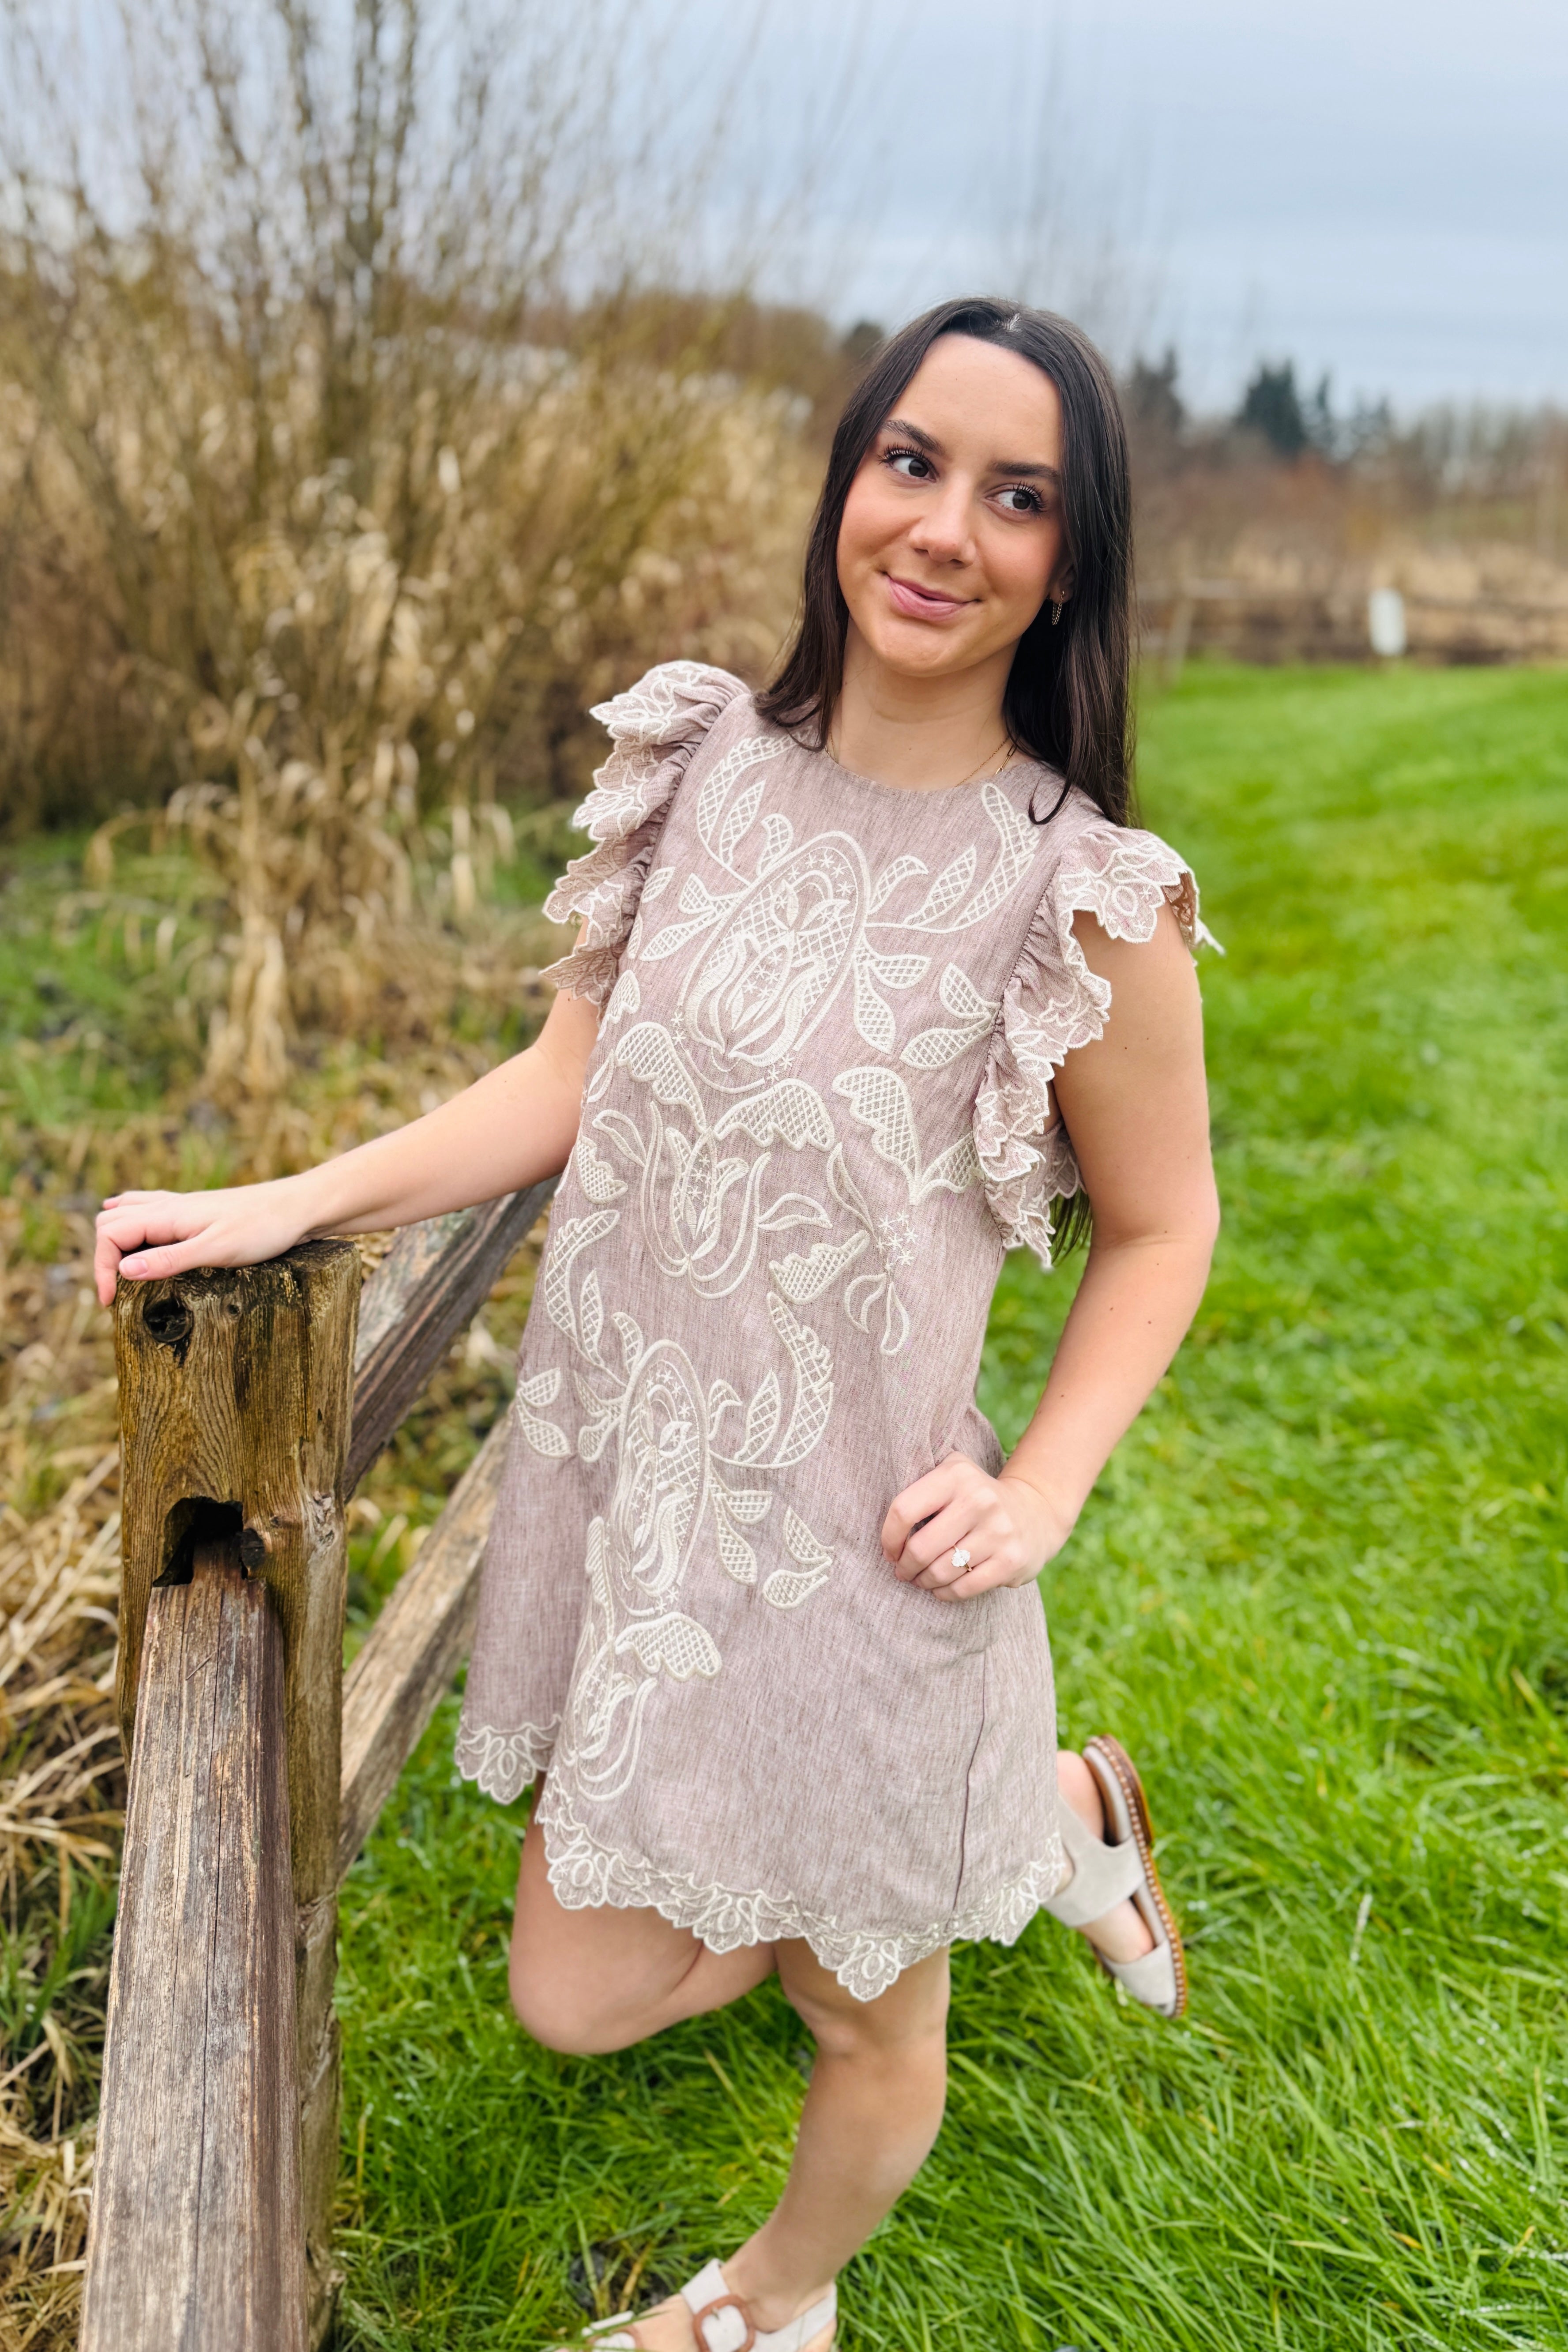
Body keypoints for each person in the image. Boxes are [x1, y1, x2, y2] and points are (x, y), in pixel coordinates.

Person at [94, 296, 1220, 2352]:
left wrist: (1043, 1486)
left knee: (865, 2012)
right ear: (845, 477)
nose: (946, 528)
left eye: (1019, 496)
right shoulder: (707, 765)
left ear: (1075, 559)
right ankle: (1042, 1817)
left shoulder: (1083, 901)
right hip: (654, 1518)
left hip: (880, 1551)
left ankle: (765, 2307)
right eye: (913, 461)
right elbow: (564, 1081)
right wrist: (290, 1196)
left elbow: (1165, 1227)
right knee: (573, 1987)